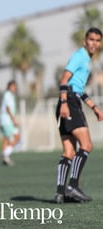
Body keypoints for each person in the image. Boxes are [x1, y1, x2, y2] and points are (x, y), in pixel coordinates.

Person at [54, 27, 103, 204]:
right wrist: (65, 103)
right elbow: (64, 80)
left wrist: (94, 107)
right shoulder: (79, 56)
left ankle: (60, 193)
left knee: (69, 151)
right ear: (85, 41)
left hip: (70, 100)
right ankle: (72, 186)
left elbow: (79, 89)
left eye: (98, 40)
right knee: (87, 145)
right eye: (91, 39)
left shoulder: (86, 60)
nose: (94, 43)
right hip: (69, 102)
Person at [0, 80, 20, 166]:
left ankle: (5, 158)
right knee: (17, 137)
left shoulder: (8, 95)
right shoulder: (8, 95)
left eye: (15, 86)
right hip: (7, 121)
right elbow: (8, 108)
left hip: (4, 120)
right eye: (13, 86)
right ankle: (5, 154)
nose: (14, 88)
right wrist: (13, 119)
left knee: (6, 139)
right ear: (9, 87)